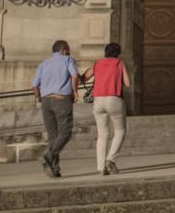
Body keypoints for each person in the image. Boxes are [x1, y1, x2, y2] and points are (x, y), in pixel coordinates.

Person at [79, 42, 131, 176]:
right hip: (114, 99)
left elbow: (84, 78)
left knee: (102, 134)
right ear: (117, 53)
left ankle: (101, 167)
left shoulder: (97, 63)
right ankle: (110, 160)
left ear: (105, 52)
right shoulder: (119, 63)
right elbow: (128, 83)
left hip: (98, 100)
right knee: (120, 131)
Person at [31, 39, 80, 178]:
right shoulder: (67, 59)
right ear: (63, 49)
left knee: (53, 136)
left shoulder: (44, 63)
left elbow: (35, 85)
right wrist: (75, 92)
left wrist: (39, 98)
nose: (69, 51)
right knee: (65, 133)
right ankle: (48, 155)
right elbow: (75, 76)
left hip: (46, 101)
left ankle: (54, 168)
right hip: (61, 99)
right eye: (68, 49)